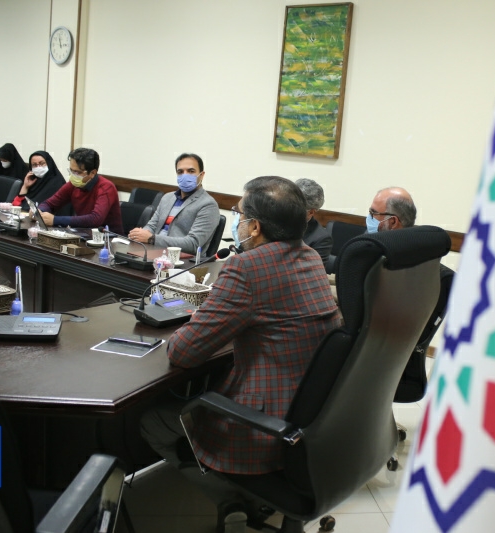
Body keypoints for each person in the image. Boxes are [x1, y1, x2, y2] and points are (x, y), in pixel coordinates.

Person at [140, 176, 342, 521]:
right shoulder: (310, 257)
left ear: (256, 227)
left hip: (263, 426)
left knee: (153, 421)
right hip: (311, 418)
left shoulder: (247, 266)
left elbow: (183, 353)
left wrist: (206, 316)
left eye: (239, 213)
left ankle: (231, 502)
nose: (237, 220)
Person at [127, 153, 219, 254]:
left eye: (191, 171)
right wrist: (139, 235)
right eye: (180, 172)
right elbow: (152, 226)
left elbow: (193, 244)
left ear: (201, 175)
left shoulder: (208, 205)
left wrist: (152, 239)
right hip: (153, 252)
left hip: (180, 258)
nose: (185, 175)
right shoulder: (167, 198)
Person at [38, 147, 123, 233]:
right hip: (83, 234)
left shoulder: (106, 187)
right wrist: (39, 212)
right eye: (71, 171)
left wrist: (55, 220)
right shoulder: (73, 185)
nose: (73, 175)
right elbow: (49, 203)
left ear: (92, 173)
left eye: (77, 172)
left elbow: (95, 219)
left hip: (108, 237)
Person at [295, 178, 332, 267]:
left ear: (310, 212)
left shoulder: (321, 239)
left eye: (294, 207)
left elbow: (312, 271)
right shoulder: (276, 221)